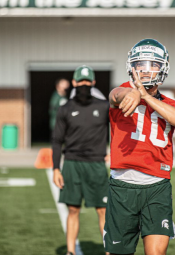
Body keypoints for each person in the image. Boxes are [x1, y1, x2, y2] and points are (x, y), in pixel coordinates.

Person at [104, 38, 175, 255]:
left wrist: (146, 97)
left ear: (163, 68)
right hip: (123, 185)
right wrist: (133, 93)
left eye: (153, 64)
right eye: (141, 64)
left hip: (157, 186)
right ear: (131, 67)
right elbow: (115, 95)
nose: (146, 70)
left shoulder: (172, 105)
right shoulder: (123, 91)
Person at [52, 65, 110, 255]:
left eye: (88, 81)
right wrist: (55, 169)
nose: (84, 84)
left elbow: (117, 132)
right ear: (74, 82)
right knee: (73, 210)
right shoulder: (65, 108)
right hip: (72, 164)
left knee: (103, 211)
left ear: (93, 82)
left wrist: (113, 153)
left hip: (97, 165)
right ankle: (70, 251)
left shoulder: (103, 106)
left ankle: (109, 251)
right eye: (81, 81)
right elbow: (57, 140)